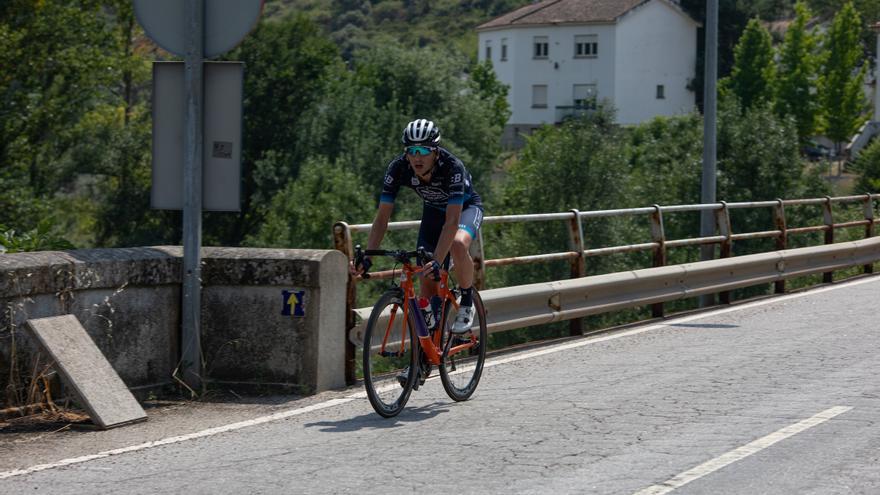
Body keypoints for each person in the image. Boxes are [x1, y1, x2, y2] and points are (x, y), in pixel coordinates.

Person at [354, 118, 483, 333]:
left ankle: (467, 301)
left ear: (436, 151)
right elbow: (382, 217)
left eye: (424, 150)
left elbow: (452, 222)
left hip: (464, 210)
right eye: (411, 150)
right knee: (425, 284)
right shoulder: (398, 168)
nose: (417, 157)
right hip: (433, 213)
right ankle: (421, 361)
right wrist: (368, 256)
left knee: (458, 245)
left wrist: (437, 261)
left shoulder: (452, 168)